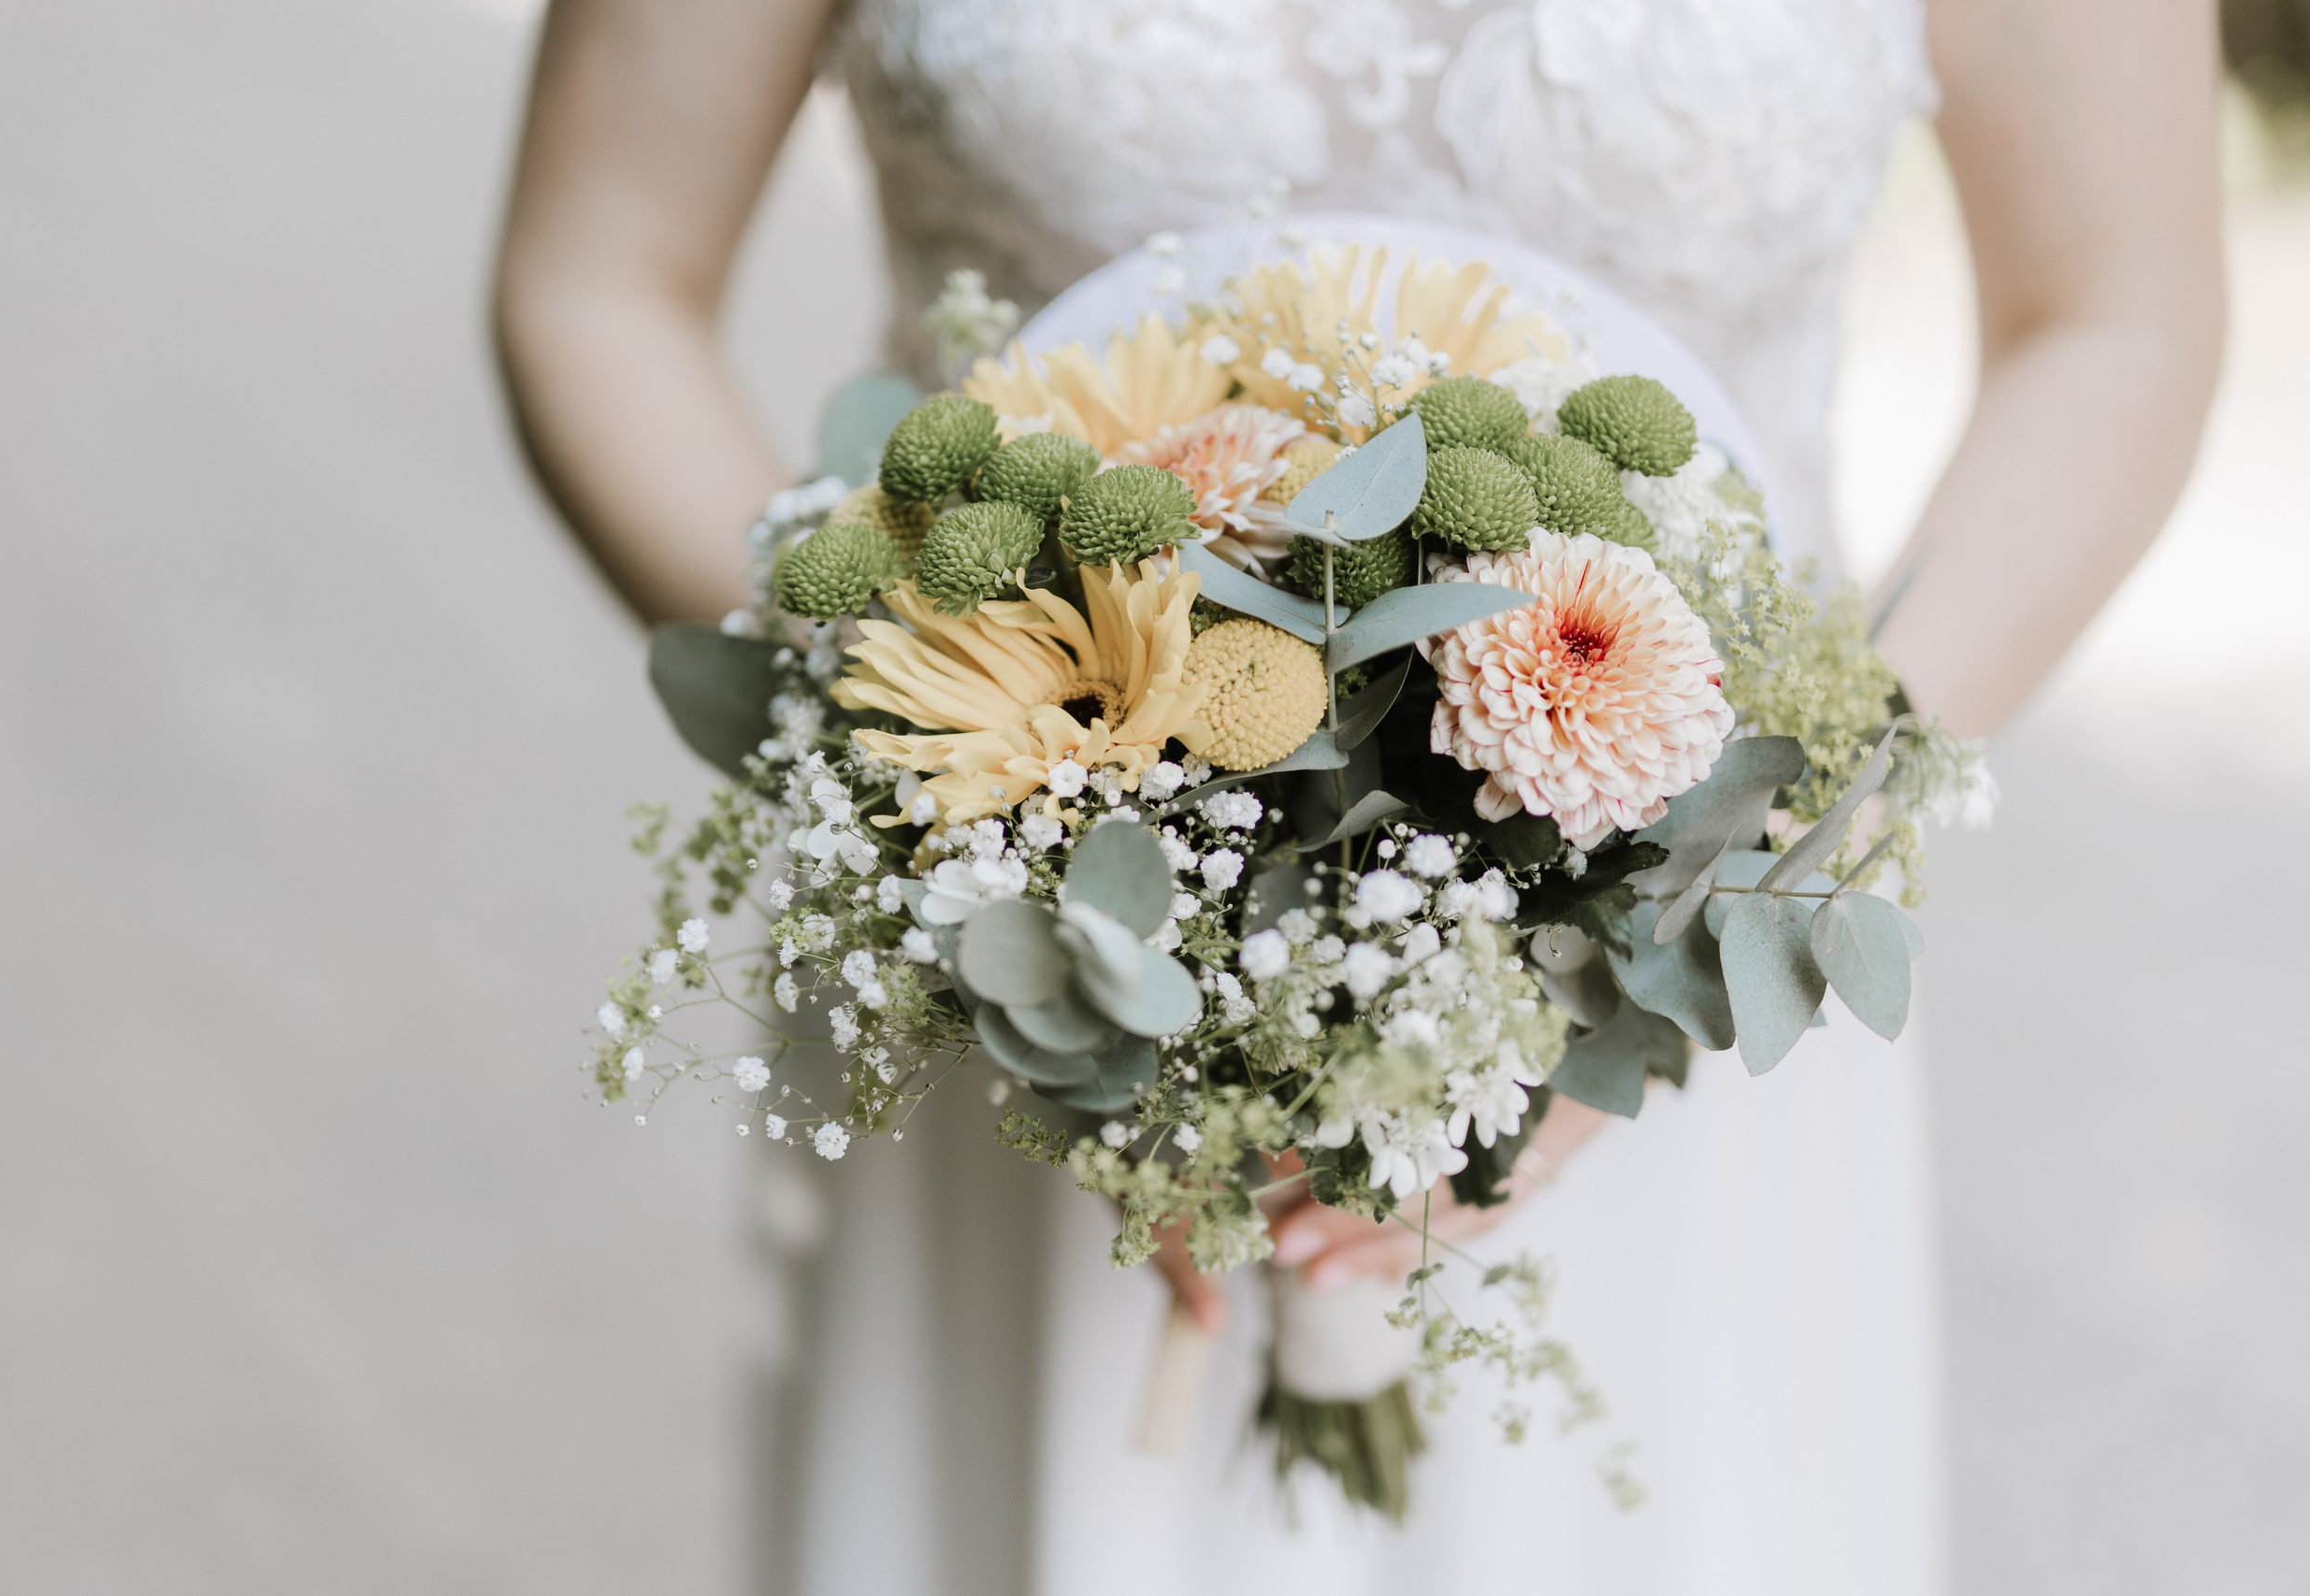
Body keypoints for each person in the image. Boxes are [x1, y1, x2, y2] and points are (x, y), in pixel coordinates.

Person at [494, 2, 2222, 1590]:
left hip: (1676, 991)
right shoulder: (999, 878)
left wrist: (1716, 907)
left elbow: (2115, 315)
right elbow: (599, 277)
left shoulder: (1710, 917)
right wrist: (947, 807)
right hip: (1026, 945)